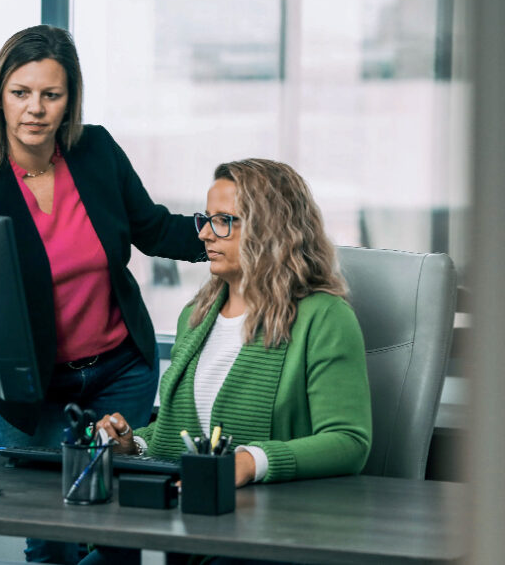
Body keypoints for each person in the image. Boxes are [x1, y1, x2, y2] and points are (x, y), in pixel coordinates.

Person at [0, 25, 204, 563]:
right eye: (21, 93)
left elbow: (151, 228)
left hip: (120, 371)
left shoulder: (95, 149)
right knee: (50, 534)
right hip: (29, 390)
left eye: (51, 95)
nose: (35, 109)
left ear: (69, 100)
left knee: (119, 529)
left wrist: (223, 235)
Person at [87, 159, 372, 565]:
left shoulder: (324, 316)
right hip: (196, 519)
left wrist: (249, 461)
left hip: (280, 530)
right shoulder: (197, 315)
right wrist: (134, 445)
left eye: (224, 221)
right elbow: (186, 431)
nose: (203, 232)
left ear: (269, 228)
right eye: (206, 219)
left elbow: (349, 442)